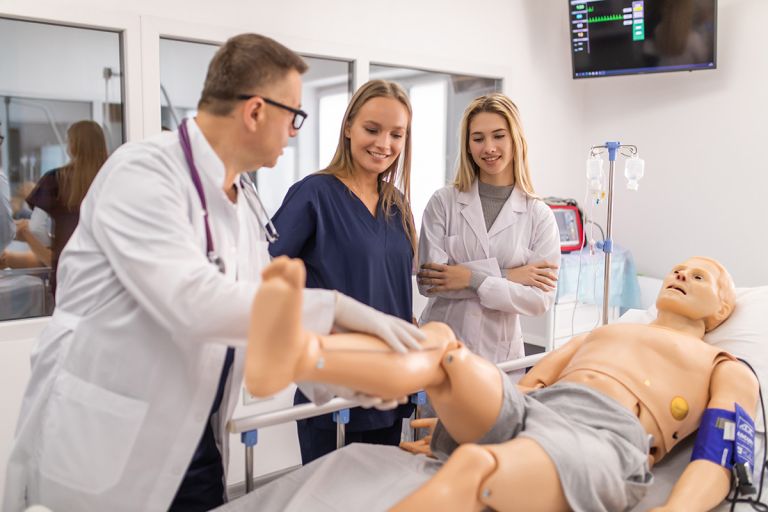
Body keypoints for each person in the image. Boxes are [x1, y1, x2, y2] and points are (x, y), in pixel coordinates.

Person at [3, 34, 423, 512]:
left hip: (195, 438)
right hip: (106, 441)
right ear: (256, 112)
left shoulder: (241, 202)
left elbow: (261, 324)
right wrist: (336, 309)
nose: (294, 133)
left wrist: (346, 382)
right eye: (294, 117)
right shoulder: (143, 173)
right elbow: (194, 302)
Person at [243, 256, 759, 511]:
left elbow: (722, 455)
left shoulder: (723, 363)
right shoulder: (610, 329)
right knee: (442, 344)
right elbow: (538, 377)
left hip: (601, 439)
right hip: (535, 407)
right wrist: (468, 414)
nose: (681, 274)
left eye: (700, 276)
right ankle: (300, 354)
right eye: (678, 268)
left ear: (722, 308)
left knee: (475, 464)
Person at [267, 80, 418, 464]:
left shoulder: (396, 205)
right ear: (348, 126)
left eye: (396, 134)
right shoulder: (314, 194)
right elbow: (265, 279)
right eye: (372, 129)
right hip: (334, 386)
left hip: (389, 386)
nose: (384, 143)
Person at [417, 93, 561, 363]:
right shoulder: (443, 202)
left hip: (499, 356)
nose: (489, 147)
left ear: (515, 139)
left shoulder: (538, 215)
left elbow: (539, 300)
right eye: (478, 138)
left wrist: (473, 279)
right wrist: (511, 275)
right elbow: (430, 283)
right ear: (468, 145)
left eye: (498, 135)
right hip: (441, 347)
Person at [0, 120, 108, 294]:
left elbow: (35, 228)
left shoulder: (55, 179)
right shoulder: (111, 178)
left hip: (69, 278)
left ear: (72, 145)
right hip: (104, 273)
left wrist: (56, 242)